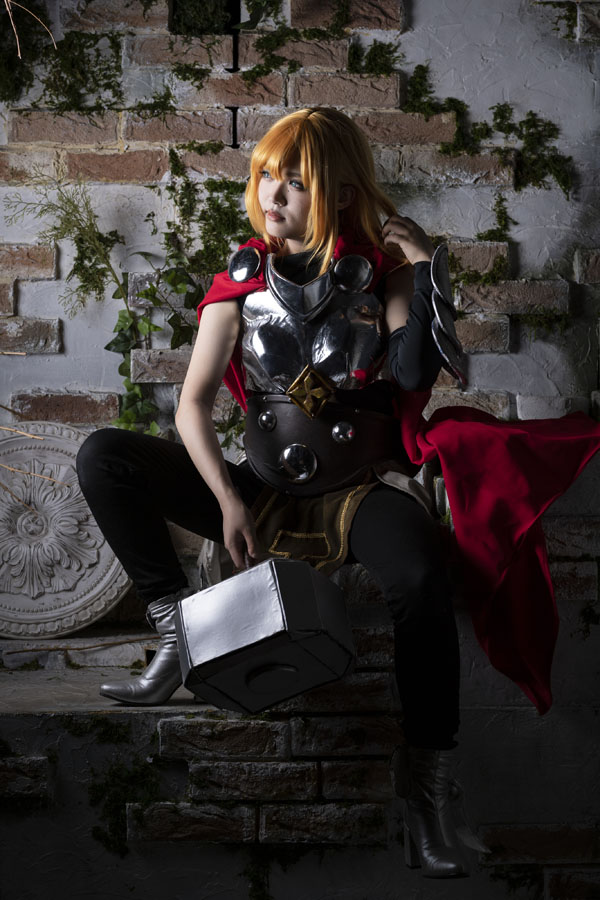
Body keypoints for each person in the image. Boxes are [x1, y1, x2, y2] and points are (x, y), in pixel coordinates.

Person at [76, 107, 600, 879]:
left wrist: (423, 266)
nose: (274, 193)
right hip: (260, 488)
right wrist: (227, 500)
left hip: (357, 488)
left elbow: (413, 373)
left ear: (341, 192)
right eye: (267, 176)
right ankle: (175, 633)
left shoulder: (377, 276)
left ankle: (429, 794)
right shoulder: (237, 281)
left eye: (296, 181)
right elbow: (192, 406)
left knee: (419, 577)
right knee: (104, 456)